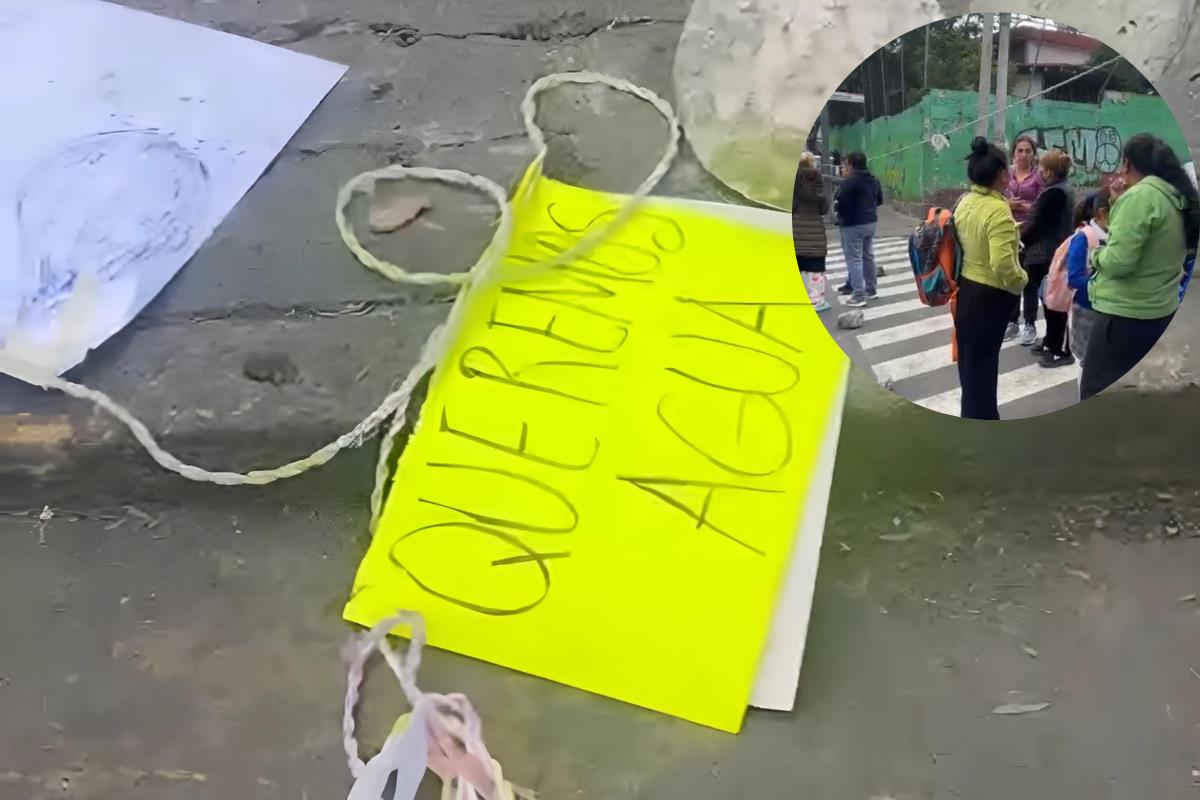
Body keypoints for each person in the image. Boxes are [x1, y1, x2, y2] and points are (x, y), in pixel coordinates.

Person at [1081, 133, 1200, 400]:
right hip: (1157, 312)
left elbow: (1119, 261)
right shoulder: (1172, 195)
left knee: (1095, 394)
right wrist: (1117, 202)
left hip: (1124, 317)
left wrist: (1096, 255)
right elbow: (1138, 241)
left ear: (1127, 164)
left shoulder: (1140, 198)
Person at [952, 137, 1028, 420]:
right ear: (999, 175)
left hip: (966, 291)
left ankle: (971, 415)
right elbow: (1002, 264)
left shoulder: (965, 201)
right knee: (984, 368)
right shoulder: (997, 210)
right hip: (989, 299)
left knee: (970, 369)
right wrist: (1022, 279)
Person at [1020, 149, 1075, 365]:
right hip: (1050, 252)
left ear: (1050, 171)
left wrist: (1022, 238)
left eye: (1042, 168)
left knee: (1055, 302)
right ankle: (1050, 340)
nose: (1040, 172)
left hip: (1048, 253)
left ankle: (1060, 349)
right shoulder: (1059, 189)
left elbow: (1039, 225)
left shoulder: (1055, 193)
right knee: (1049, 298)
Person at [1064, 189, 1112, 378]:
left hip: (1110, 309)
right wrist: (1104, 284)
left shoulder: (1118, 236)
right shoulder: (1084, 238)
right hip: (1086, 309)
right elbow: (1074, 277)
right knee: (1086, 363)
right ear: (1102, 213)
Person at [1003, 135, 1042, 341]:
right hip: (1009, 232)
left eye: (1028, 151)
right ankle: (1011, 322)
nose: (1024, 155)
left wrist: (1021, 206)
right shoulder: (1006, 174)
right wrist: (1008, 205)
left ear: (1034, 155)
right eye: (1020, 151)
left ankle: (1029, 323)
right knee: (1011, 278)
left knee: (1029, 280)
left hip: (1031, 233)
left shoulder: (1038, 177)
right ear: (1014, 153)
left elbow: (1042, 204)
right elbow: (999, 198)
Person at [833, 151, 884, 307]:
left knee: (854, 259)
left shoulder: (849, 183)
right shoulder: (873, 180)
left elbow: (842, 205)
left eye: (845, 164)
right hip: (870, 222)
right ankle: (871, 289)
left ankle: (858, 295)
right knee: (867, 256)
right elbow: (879, 200)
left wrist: (838, 213)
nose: (844, 167)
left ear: (850, 164)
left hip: (853, 224)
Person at [792, 152, 830, 311]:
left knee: (797, 264)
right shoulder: (817, 182)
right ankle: (816, 300)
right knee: (815, 266)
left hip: (794, 230)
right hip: (814, 231)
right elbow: (824, 209)